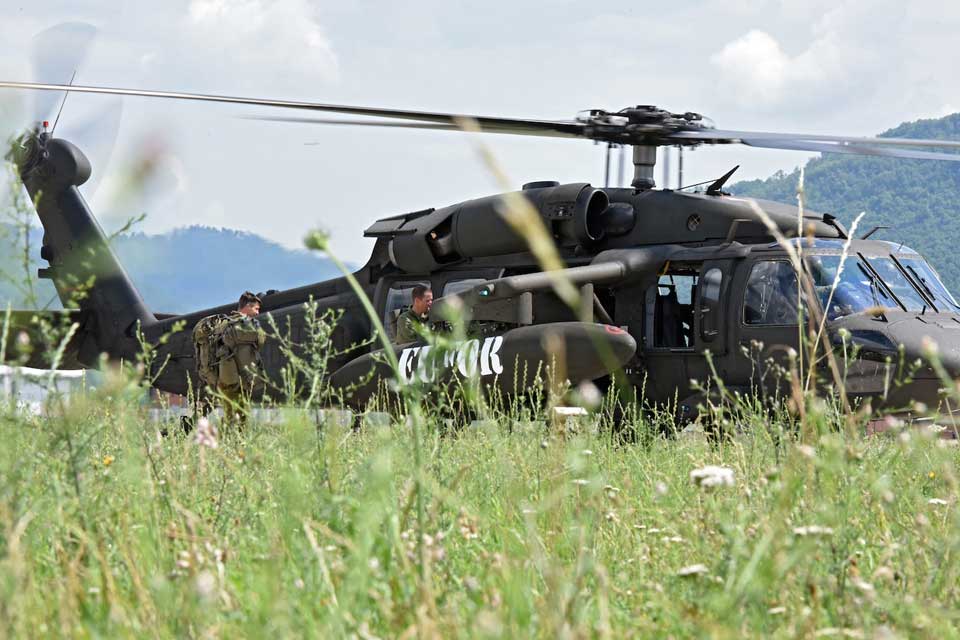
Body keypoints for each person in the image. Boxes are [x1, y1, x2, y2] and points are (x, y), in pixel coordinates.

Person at [191, 291, 266, 430]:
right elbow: (260, 340)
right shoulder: (241, 325)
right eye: (256, 309)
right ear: (247, 307)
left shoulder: (224, 324)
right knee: (236, 416)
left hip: (226, 378)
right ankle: (231, 445)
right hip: (233, 379)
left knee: (234, 415)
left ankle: (232, 443)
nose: (257, 313)